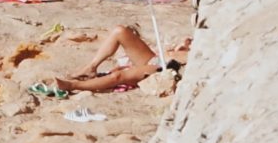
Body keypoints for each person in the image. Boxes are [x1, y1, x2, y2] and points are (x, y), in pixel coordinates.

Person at [54, 25, 190, 94]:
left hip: (167, 69)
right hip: (158, 60)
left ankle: (73, 86)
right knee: (120, 31)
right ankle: (91, 67)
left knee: (118, 76)